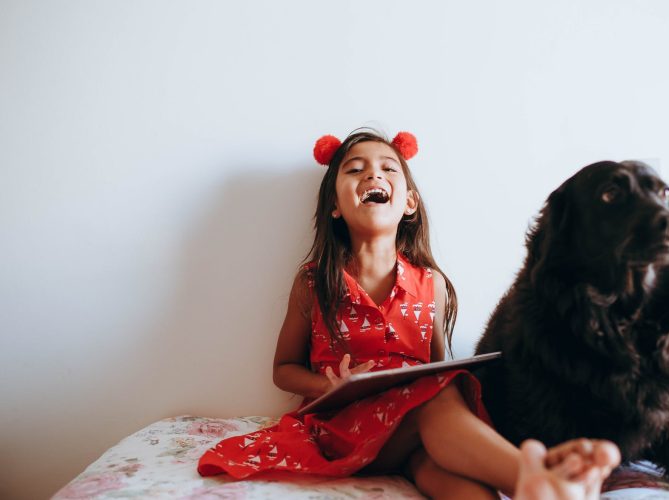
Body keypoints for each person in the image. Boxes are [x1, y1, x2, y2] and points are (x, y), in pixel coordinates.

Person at [197, 129, 620, 498]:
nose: (372, 175)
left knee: (440, 457)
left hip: (411, 434)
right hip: (344, 427)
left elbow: (439, 367)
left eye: (387, 168)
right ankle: (535, 475)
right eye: (354, 169)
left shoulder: (429, 283)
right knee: (433, 402)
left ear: (410, 202)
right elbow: (283, 368)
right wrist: (328, 384)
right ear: (335, 207)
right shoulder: (314, 283)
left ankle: (536, 490)